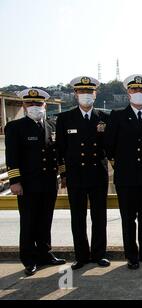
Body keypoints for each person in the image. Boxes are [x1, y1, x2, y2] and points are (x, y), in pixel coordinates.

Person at [5, 88, 65, 276]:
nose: (35, 107)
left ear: (44, 105)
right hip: (28, 184)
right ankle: (29, 258)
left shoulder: (49, 126)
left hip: (48, 182)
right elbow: (12, 157)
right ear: (24, 105)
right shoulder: (15, 128)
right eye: (30, 103)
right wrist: (14, 181)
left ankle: (44, 253)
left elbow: (56, 154)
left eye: (38, 104)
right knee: (29, 221)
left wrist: (62, 175)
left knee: (45, 220)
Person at [105, 74, 142, 269]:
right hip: (127, 176)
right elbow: (109, 146)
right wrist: (120, 164)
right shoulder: (118, 116)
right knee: (129, 219)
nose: (138, 93)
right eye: (134, 90)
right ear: (128, 93)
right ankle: (132, 255)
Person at [56, 76, 110, 270]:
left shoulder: (104, 117)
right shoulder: (65, 119)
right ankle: (81, 256)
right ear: (75, 94)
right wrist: (63, 174)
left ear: (95, 94)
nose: (85, 95)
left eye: (89, 92)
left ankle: (99, 254)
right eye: (82, 92)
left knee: (99, 216)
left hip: (97, 173)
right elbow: (60, 149)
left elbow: (110, 146)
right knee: (77, 217)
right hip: (75, 175)